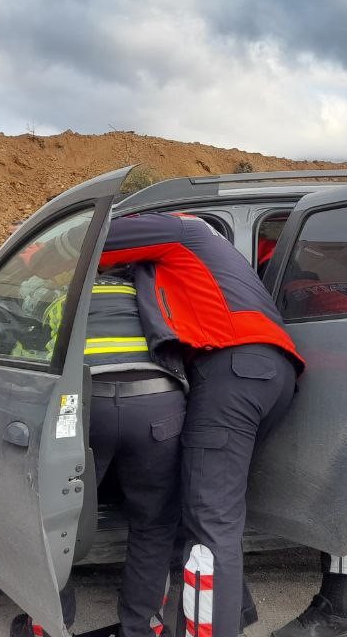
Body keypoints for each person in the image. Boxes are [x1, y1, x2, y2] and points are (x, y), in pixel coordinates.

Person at [95, 212, 304, 637]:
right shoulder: (214, 257)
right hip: (271, 373)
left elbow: (92, 241)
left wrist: (45, 246)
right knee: (212, 502)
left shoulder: (181, 229)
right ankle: (234, 609)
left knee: (211, 519)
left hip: (230, 370)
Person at [10, 269, 186, 637]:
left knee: (57, 518)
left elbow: (31, 362)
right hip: (158, 404)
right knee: (153, 523)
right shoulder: (147, 292)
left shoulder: (62, 294)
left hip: (89, 406)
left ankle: (48, 624)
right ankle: (143, 628)